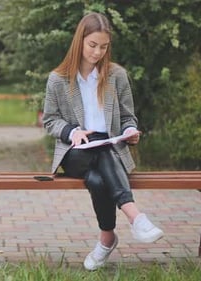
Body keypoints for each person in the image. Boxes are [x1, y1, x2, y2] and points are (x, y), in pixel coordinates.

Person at [42, 12, 164, 271]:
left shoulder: (117, 76)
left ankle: (106, 240)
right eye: (92, 45)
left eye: (104, 46)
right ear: (80, 42)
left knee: (98, 178)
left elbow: (129, 117)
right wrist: (71, 132)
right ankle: (136, 217)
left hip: (108, 149)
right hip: (76, 152)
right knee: (99, 151)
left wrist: (131, 131)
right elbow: (50, 120)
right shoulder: (58, 79)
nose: (98, 52)